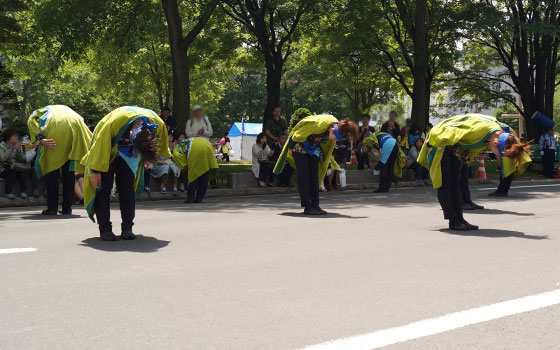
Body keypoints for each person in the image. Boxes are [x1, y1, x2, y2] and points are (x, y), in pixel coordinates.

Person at [418, 113, 531, 231]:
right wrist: (432, 142)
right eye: (498, 153)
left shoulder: (499, 133)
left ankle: (459, 219)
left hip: (455, 146)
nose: (497, 155)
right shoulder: (482, 131)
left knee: (456, 183)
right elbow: (451, 131)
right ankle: (454, 220)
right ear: (496, 143)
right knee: (445, 182)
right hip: (441, 139)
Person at [81, 106, 170, 241]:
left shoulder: (157, 123)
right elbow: (98, 147)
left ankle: (127, 227)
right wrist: (95, 171)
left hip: (130, 154)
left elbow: (162, 142)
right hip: (107, 147)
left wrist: (148, 158)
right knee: (103, 188)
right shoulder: (114, 123)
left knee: (127, 189)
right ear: (130, 134)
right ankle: (105, 229)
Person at [273, 115, 358, 215]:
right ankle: (307, 206)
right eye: (334, 138)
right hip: (299, 144)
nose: (334, 140)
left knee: (315, 176)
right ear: (331, 130)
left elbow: (327, 144)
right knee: (304, 175)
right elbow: (297, 135)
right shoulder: (319, 125)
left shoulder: (336, 126)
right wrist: (290, 148)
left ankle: (315, 205)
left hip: (314, 147)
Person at [27, 105, 92, 215]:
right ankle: (67, 208)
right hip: (75, 129)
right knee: (69, 174)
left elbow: (31, 120)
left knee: (52, 172)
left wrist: (41, 139)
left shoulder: (42, 111)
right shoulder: (70, 112)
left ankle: (52, 208)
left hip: (55, 131)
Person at [488, 124, 532, 197]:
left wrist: (498, 156)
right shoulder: (508, 131)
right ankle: (504, 190)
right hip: (509, 144)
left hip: (504, 145)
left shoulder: (496, 132)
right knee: (509, 170)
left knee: (505, 171)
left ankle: (501, 190)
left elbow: (495, 145)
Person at [172, 137, 219, 203]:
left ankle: (191, 198)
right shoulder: (186, 141)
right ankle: (199, 198)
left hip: (195, 150)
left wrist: (185, 165)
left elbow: (177, 156)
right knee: (204, 174)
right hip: (207, 145)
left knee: (193, 177)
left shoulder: (177, 148)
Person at [0, 128, 27, 199]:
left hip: (15, 168)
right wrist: (10, 149)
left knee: (22, 172)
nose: (16, 138)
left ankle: (23, 192)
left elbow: (22, 160)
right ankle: (8, 192)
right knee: (11, 172)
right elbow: (2, 159)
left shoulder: (17, 145)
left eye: (16, 136)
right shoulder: (1, 146)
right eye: (14, 136)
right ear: (8, 137)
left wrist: (19, 151)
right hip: (3, 169)